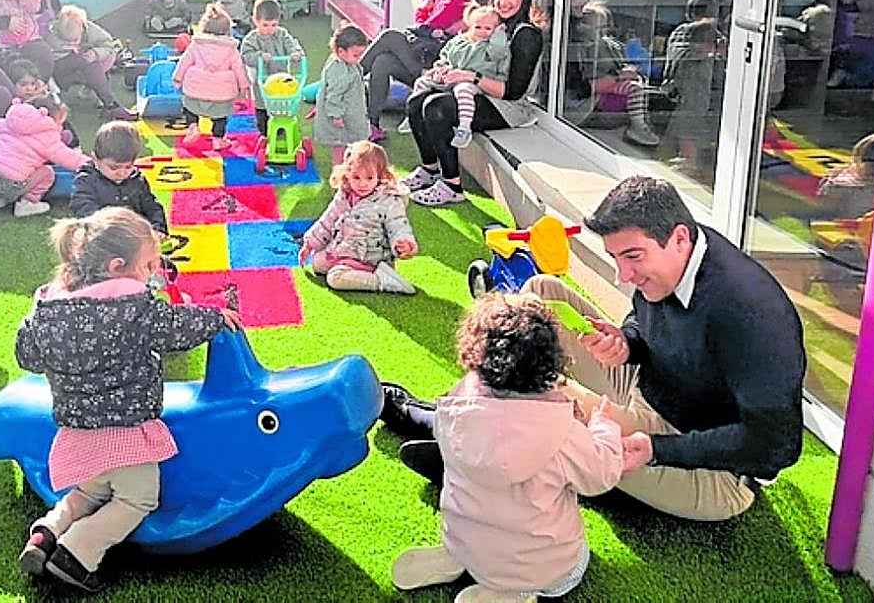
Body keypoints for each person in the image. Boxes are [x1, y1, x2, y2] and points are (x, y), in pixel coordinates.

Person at [382, 176, 807, 523]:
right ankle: (478, 432)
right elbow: (645, 318)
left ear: (679, 239)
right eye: (616, 258)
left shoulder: (751, 313)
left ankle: (459, 439)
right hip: (646, 388)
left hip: (707, 465)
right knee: (539, 294)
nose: (623, 275)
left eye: (633, 257)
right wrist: (626, 343)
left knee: (557, 405)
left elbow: (777, 445)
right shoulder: (682, 247)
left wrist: (659, 450)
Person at [13, 208, 240, 592]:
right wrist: (217, 318)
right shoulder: (135, 308)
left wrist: (36, 320)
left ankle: (46, 533)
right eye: (148, 265)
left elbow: (27, 356)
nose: (153, 272)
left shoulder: (49, 308)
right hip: (127, 434)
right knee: (137, 500)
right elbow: (176, 328)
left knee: (88, 493)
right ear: (116, 266)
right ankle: (77, 552)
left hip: (77, 433)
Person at [391, 292, 623, 602]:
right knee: (573, 567)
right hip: (541, 566)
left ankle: (458, 557)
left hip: (462, 540)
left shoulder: (454, 404)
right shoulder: (562, 431)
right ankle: (516, 590)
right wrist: (603, 427)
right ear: (551, 363)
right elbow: (601, 475)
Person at [401, 0, 544, 207]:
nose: (504, 2)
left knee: (437, 107)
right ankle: (430, 169)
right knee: (417, 101)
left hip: (508, 107)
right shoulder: (489, 22)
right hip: (475, 91)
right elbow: (464, 51)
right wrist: (446, 69)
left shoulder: (526, 35)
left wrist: (470, 77)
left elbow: (512, 93)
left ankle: (452, 186)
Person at [360, 0, 475, 141]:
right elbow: (426, 30)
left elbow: (423, 27)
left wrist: (422, 11)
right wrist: (427, 24)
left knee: (389, 36)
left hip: (436, 70)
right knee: (383, 61)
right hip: (424, 59)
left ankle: (348, 78)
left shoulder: (459, 0)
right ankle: (372, 124)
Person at [298, 140, 418, 294]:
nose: (362, 184)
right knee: (317, 263)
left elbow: (398, 226)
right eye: (356, 177)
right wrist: (310, 244)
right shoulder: (345, 195)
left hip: (371, 258)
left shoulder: (388, 201)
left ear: (380, 175)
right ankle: (347, 267)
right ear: (347, 174)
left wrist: (404, 243)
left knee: (335, 278)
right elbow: (328, 220)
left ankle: (382, 280)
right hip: (346, 250)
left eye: (369, 178)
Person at [561, 0, 660, 148]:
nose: (602, 34)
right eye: (597, 29)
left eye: (605, 28)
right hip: (594, 97)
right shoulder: (584, 47)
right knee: (635, 89)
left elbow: (619, 63)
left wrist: (627, 71)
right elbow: (588, 81)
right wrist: (619, 75)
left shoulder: (608, 44)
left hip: (608, 87)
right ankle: (638, 127)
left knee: (645, 89)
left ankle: (643, 122)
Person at [0, 94, 91, 218]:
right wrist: (92, 163)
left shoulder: (9, 123)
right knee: (47, 173)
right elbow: (68, 158)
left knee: (8, 169)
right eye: (60, 123)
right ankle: (27, 204)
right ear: (49, 118)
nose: (60, 127)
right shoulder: (47, 136)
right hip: (11, 183)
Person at [402, 4, 508, 149]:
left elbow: (498, 53)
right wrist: (440, 68)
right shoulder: (459, 41)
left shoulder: (490, 46)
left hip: (473, 81)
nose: (482, 32)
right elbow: (444, 56)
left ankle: (464, 127)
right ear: (470, 26)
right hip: (451, 76)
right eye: (478, 27)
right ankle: (412, 115)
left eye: (488, 29)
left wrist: (499, 35)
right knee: (422, 82)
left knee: (463, 90)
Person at [172, 3, 252, 150]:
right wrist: (244, 87)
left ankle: (193, 126)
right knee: (220, 118)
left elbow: (184, 62)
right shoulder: (231, 49)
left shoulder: (196, 45)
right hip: (221, 94)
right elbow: (239, 69)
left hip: (196, 90)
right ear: (228, 30)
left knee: (189, 108)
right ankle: (218, 139)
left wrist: (177, 78)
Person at [662, 0, 727, 174]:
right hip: (689, 87)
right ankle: (689, 159)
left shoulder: (716, 34)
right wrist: (703, 53)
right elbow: (677, 55)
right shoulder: (684, 31)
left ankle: (698, 159)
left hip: (710, 88)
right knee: (688, 123)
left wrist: (718, 54)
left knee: (702, 125)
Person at [69, 121, 167, 233]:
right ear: (96, 159)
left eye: (128, 167)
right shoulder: (87, 180)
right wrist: (103, 224)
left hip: (133, 233)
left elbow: (151, 206)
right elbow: (82, 205)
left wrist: (158, 227)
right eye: (114, 168)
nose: (122, 173)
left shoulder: (137, 179)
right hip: (100, 233)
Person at [45, 5, 138, 122]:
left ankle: (107, 101)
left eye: (75, 40)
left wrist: (95, 53)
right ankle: (111, 105)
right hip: (60, 68)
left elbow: (108, 45)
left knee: (92, 63)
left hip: (85, 64)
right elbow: (50, 55)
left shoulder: (92, 30)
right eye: (68, 41)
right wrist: (66, 48)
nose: (72, 43)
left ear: (82, 27)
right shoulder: (52, 33)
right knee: (88, 64)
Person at [239, 0, 306, 136]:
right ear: (256, 21)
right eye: (265, 25)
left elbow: (292, 44)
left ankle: (281, 133)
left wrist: (296, 53)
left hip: (282, 81)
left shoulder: (282, 34)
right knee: (263, 112)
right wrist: (259, 56)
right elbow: (246, 56)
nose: (270, 29)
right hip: (262, 83)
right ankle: (264, 134)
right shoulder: (251, 39)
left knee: (282, 110)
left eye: (274, 25)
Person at [312, 25, 372, 166]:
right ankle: (339, 171)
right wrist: (336, 115)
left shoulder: (346, 62)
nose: (359, 58)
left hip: (351, 110)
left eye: (361, 54)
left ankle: (348, 168)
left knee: (349, 144)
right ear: (341, 51)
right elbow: (334, 95)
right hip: (343, 115)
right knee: (341, 144)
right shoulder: (340, 70)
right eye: (356, 55)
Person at [6, 58, 79, 147]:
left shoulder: (41, 100)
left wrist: (45, 95)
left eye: (33, 84)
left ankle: (72, 144)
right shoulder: (14, 105)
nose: (29, 88)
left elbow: (59, 109)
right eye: (23, 85)